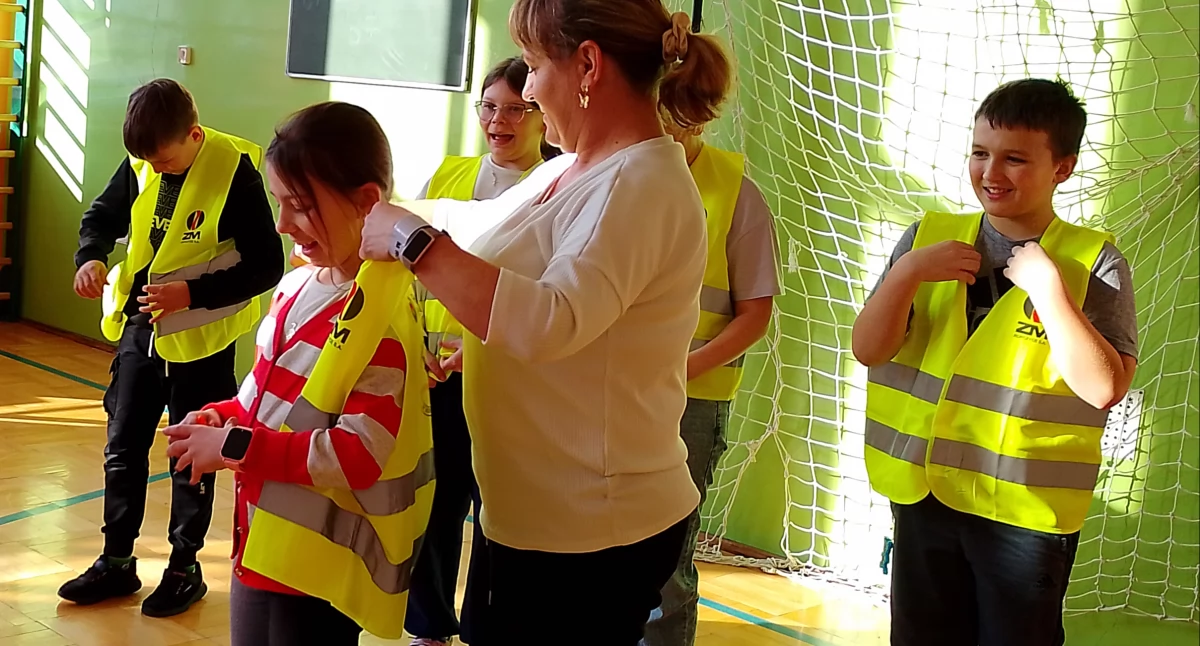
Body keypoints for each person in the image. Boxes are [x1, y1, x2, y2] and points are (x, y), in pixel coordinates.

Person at [359, 1, 734, 642]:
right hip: (534, 517)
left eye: (534, 66)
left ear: (587, 64)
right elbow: (474, 227)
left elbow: (549, 321)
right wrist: (371, 208)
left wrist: (409, 238)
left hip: (593, 531)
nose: (527, 89)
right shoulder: (570, 168)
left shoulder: (640, 183)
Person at [852, 78, 1139, 646]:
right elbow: (870, 349)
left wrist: (1051, 294)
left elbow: (1105, 388)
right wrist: (907, 272)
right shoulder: (927, 237)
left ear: (1062, 167)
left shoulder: (1091, 261)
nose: (991, 172)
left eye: (1015, 158)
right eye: (980, 153)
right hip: (924, 494)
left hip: (1023, 515)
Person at [161, 101, 434, 645]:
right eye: (279, 203)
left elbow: (357, 453)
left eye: (300, 206)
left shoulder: (380, 314)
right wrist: (221, 416)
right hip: (262, 544)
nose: (283, 224)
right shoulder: (295, 289)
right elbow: (264, 402)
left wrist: (234, 446)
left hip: (317, 574)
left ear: (366, 202)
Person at [63, 78, 283, 617]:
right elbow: (101, 217)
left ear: (194, 133)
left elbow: (266, 265)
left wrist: (192, 292)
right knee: (123, 447)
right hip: (142, 329)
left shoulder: (236, 170)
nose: (156, 169)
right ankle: (116, 561)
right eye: (148, 161)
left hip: (201, 341)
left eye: (165, 159)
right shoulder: (142, 160)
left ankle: (184, 567)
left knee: (191, 456)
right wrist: (89, 256)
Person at [406, 55, 556, 646]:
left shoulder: (560, 184)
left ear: (542, 115)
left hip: (512, 380)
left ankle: (487, 629)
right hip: (436, 376)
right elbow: (404, 268)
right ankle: (429, 626)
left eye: (517, 109)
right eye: (490, 107)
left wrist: (487, 352)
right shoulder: (447, 176)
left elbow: (553, 296)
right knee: (436, 504)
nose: (501, 121)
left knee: (499, 510)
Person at [642, 113, 782, 646]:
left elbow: (754, 314)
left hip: (688, 403)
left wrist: (677, 373)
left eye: (677, 114)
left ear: (699, 115)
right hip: (603, 395)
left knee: (666, 563)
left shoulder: (734, 192)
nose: (663, 126)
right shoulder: (611, 174)